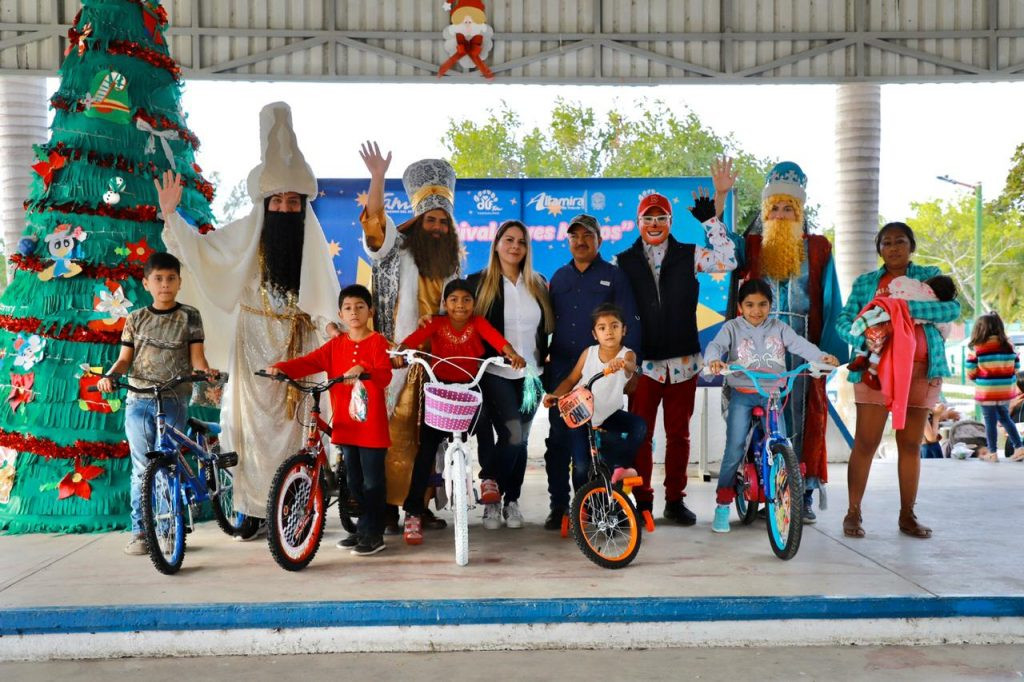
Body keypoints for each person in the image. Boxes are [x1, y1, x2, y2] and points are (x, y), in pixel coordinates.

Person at [159, 103, 340, 533]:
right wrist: (172, 215)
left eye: (292, 201)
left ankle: (295, 508)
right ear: (264, 200)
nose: (283, 207)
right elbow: (203, 254)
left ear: (302, 205)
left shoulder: (310, 241)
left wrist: (330, 327)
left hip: (301, 349)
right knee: (249, 431)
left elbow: (326, 301)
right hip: (251, 345)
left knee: (297, 430)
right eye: (276, 199)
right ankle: (253, 509)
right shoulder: (244, 233)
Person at [615, 163, 737, 526]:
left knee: (679, 435)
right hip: (645, 364)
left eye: (661, 217)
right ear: (639, 222)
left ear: (669, 221)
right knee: (641, 434)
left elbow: (729, 259)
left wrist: (711, 219)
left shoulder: (690, 254)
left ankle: (675, 499)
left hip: (685, 361)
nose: (654, 224)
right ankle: (643, 500)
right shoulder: (622, 261)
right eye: (648, 218)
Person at [729, 162, 849, 523]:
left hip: (801, 346)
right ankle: (760, 489)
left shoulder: (818, 247)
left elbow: (832, 300)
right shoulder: (751, 246)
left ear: (800, 212)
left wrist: (830, 349)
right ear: (765, 212)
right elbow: (721, 253)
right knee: (757, 419)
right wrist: (720, 198)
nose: (780, 216)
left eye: (788, 209)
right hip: (756, 347)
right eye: (774, 208)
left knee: (803, 419)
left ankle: (802, 493)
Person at [358, 142, 462, 534]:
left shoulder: (453, 261)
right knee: (394, 435)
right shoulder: (396, 250)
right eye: (430, 220)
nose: (436, 227)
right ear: (418, 220)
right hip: (399, 358)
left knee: (428, 442)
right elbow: (375, 226)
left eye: (442, 221)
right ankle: (387, 507)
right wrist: (378, 178)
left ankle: (418, 506)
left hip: (438, 363)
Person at [836, 222, 961, 539]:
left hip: (922, 370)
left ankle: (908, 515)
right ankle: (853, 513)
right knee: (866, 442)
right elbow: (844, 320)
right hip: (873, 372)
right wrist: (863, 334)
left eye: (900, 241)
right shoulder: (866, 282)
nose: (893, 247)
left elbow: (951, 308)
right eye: (886, 242)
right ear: (879, 249)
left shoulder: (928, 274)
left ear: (912, 246)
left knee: (910, 444)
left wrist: (898, 309)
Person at [96, 252, 214, 555]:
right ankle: (140, 531)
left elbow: (197, 359)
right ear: (147, 283)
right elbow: (125, 360)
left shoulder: (190, 315)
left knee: (168, 463)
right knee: (141, 467)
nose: (165, 284)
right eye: (158, 279)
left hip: (174, 398)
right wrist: (110, 376)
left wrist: (206, 373)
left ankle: (169, 525)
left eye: (171, 278)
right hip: (138, 399)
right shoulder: (136, 318)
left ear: (179, 282)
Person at [395, 279, 525, 545]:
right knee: (426, 451)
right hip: (440, 393)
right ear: (445, 303)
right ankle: (413, 512)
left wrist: (511, 354)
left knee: (485, 424)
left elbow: (498, 341)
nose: (460, 305)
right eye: (453, 299)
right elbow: (411, 343)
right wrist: (399, 354)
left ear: (474, 304)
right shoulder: (435, 324)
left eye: (466, 300)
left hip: (469, 390)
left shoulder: (478, 324)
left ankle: (488, 479)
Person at [266, 284, 393, 556]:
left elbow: (385, 376)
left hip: (372, 427)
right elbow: (309, 362)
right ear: (340, 314)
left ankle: (374, 532)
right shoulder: (335, 346)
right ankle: (362, 528)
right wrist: (282, 369)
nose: (354, 312)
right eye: (348, 308)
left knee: (373, 481)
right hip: (346, 427)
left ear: (370, 311)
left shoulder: (378, 342)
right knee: (355, 482)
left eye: (360, 306)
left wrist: (364, 368)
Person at [704, 278, 839, 533]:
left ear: (771, 305)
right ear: (740, 306)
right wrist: (713, 360)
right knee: (734, 449)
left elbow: (800, 345)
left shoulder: (779, 327)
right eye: (750, 304)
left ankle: (781, 494)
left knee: (780, 443)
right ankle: (722, 505)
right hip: (742, 392)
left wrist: (821, 357)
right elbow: (715, 346)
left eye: (763, 304)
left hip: (773, 395)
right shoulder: (732, 328)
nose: (756, 311)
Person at [543, 214, 640, 530]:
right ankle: (561, 508)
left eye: (587, 236)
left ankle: (600, 508)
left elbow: (630, 324)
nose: (581, 241)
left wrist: (629, 371)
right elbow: (547, 323)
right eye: (575, 236)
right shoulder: (558, 277)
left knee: (601, 448)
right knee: (560, 443)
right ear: (568, 241)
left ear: (599, 240)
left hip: (602, 376)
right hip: (563, 374)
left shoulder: (614, 276)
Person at [466, 220, 554, 530]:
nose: (515, 246)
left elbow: (549, 327)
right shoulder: (477, 282)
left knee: (521, 439)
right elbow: (459, 318)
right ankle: (490, 485)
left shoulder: (538, 283)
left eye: (521, 241)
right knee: (511, 434)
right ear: (496, 244)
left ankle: (509, 500)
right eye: (509, 240)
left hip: (532, 374)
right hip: (494, 371)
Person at [543, 303, 645, 485]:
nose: (609, 332)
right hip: (582, 415)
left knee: (639, 427)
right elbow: (570, 380)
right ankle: (582, 507)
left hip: (609, 414)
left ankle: (621, 467)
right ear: (594, 334)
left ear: (624, 330)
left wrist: (622, 363)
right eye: (602, 328)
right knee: (582, 465)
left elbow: (632, 367)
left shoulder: (627, 354)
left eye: (615, 326)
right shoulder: (588, 352)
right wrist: (555, 395)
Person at [847, 275, 958, 390]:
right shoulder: (934, 302)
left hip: (882, 312)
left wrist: (894, 296)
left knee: (869, 334)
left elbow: (896, 283)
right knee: (882, 346)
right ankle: (872, 371)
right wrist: (943, 338)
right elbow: (942, 326)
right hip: (897, 324)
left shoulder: (913, 284)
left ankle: (861, 356)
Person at [966, 312, 1024, 462]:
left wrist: (982, 378)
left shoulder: (977, 348)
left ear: (979, 329)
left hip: (987, 392)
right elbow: (1016, 367)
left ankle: (992, 453)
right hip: (1005, 391)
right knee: (1005, 418)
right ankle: (1019, 447)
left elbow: (971, 373)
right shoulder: (1009, 346)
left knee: (990, 421)